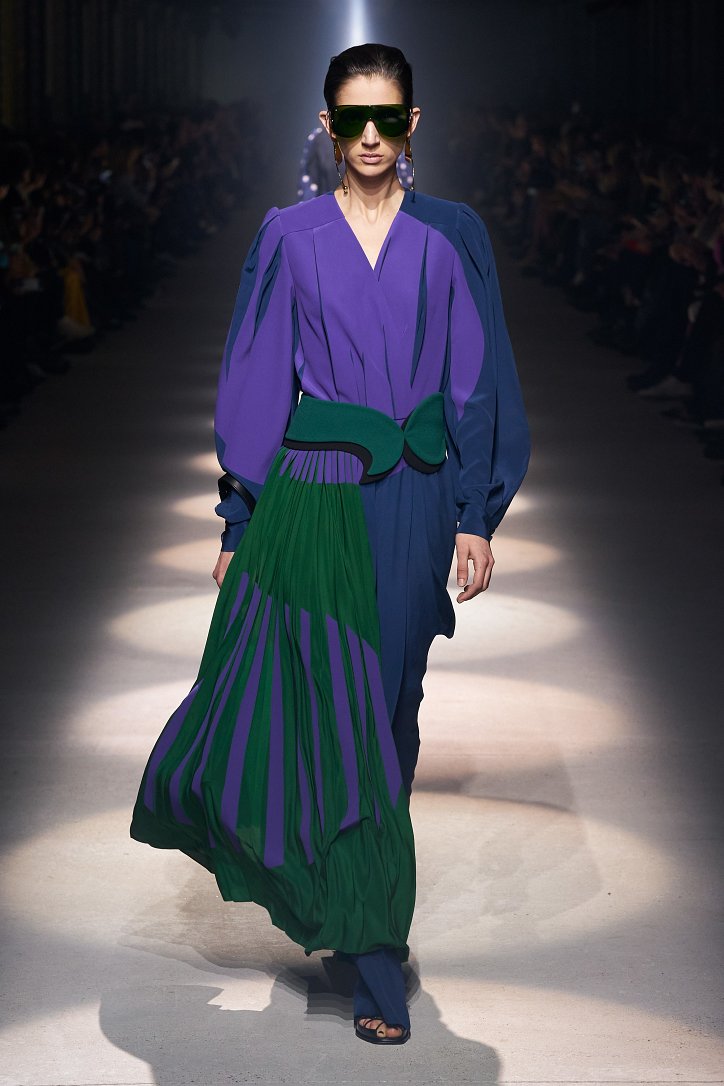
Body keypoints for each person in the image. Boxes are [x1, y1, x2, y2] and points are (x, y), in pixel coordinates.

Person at [130, 43, 530, 1046]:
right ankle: (372, 948)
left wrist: (476, 511)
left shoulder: (452, 233)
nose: (370, 136)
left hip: (416, 501)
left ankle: (353, 893)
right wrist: (240, 516)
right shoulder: (290, 235)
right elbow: (258, 373)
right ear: (327, 124)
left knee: (392, 706)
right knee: (332, 709)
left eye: (388, 118)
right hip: (315, 498)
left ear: (412, 122)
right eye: (352, 119)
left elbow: (478, 379)